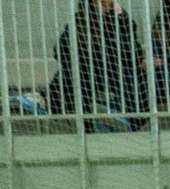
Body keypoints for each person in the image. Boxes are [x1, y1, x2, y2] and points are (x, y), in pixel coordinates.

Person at [47, 0, 150, 128]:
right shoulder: (79, 21)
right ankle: (82, 118)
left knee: (135, 75)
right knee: (72, 72)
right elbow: (60, 51)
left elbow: (132, 49)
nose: (105, 3)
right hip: (89, 71)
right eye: (100, 1)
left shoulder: (122, 20)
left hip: (115, 71)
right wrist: (84, 55)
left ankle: (124, 118)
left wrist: (141, 59)